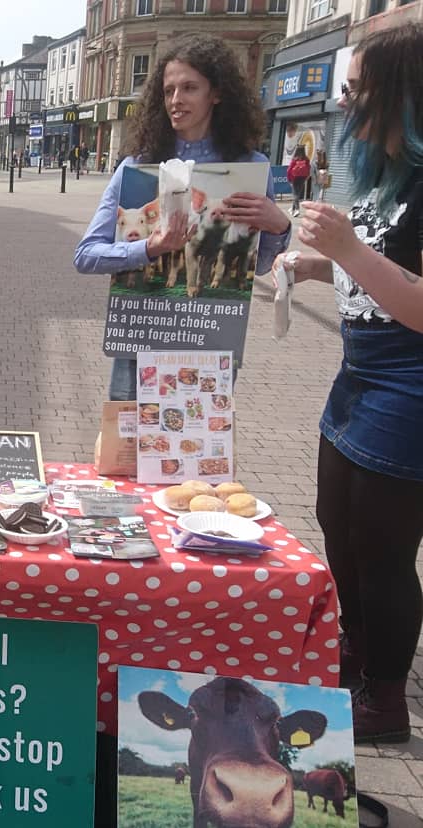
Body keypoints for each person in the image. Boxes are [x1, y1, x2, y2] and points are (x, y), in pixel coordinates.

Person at [272, 22, 423, 744]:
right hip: (359, 372)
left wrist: (347, 248)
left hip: (408, 383)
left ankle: (385, 700)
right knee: (337, 523)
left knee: (382, 549)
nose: (344, 100)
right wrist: (317, 266)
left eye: (359, 88)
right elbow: (375, 268)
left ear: (401, 94)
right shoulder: (383, 171)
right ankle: (353, 653)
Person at [73, 33, 291, 400]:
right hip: (140, 339)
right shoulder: (137, 166)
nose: (176, 100)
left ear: (216, 93)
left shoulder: (249, 169)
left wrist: (279, 227)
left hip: (211, 340)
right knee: (128, 454)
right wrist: (149, 248)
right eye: (168, 90)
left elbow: (259, 264)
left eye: (189, 88)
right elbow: (87, 256)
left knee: (198, 453)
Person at [287, 145, 311, 217]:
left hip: (295, 178)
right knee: (297, 194)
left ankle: (297, 210)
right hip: (303, 177)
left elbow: (289, 170)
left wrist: (289, 179)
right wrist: (307, 177)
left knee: (295, 194)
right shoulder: (306, 159)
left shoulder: (295, 159)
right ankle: (292, 209)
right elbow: (309, 168)